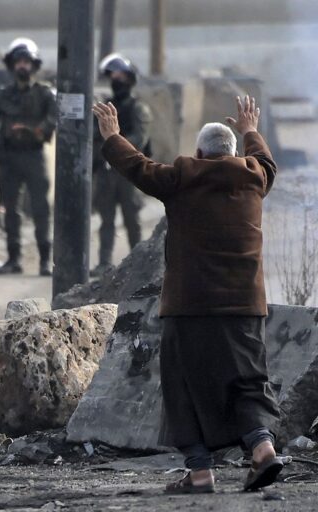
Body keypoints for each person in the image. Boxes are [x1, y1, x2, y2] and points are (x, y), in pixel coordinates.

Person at [93, 96, 282, 493]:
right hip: (245, 306)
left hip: (190, 305)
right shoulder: (255, 178)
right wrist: (250, 129)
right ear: (235, 154)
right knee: (248, 381)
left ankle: (199, 472)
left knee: (182, 386)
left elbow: (138, 166)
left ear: (199, 154)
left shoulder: (181, 178)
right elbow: (266, 160)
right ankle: (262, 447)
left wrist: (112, 137)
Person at [0, 38, 57, 276]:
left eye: (26, 62)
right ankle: (13, 259)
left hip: (34, 155)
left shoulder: (44, 93)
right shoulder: (4, 96)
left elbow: (54, 117)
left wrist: (37, 131)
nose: (22, 66)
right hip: (10, 158)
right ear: (12, 65)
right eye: (18, 62)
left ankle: (45, 260)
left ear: (33, 65)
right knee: (11, 209)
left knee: (40, 209)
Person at [92, 54, 152, 276]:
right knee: (106, 220)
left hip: (130, 171)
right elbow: (94, 138)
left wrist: (115, 141)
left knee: (132, 220)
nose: (116, 80)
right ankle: (104, 263)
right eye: (113, 76)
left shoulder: (138, 109)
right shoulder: (107, 108)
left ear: (130, 79)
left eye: (121, 76)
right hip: (107, 171)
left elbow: (139, 139)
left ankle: (139, 264)